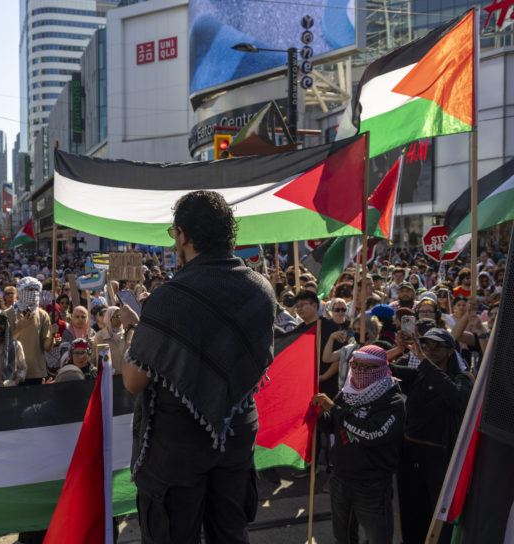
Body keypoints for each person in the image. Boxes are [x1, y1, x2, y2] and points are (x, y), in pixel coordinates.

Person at [122, 191, 276, 543]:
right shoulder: (261, 289)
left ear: (184, 235)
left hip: (177, 444)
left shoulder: (169, 298)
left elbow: (133, 380)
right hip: (237, 432)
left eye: (175, 235)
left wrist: (136, 328)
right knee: (230, 533)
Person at [312, 345, 405, 544]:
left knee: (377, 538)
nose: (360, 372)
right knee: (343, 536)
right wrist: (320, 413)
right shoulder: (348, 391)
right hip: (341, 477)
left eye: (367, 367)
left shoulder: (392, 400)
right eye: (356, 365)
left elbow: (372, 433)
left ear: (381, 369)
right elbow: (330, 426)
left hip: (372, 483)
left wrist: (335, 410)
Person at [391, 328, 473, 544]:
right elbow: (383, 368)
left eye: (437, 345)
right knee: (411, 510)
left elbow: (457, 398)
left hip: (440, 459)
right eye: (426, 344)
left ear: (450, 351)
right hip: (410, 456)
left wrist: (423, 361)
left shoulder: (461, 379)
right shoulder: (418, 374)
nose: (431, 349)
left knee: (437, 514)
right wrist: (397, 349)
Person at [4, 277, 53, 385]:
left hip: (36, 372)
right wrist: (21, 326)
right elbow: (4, 343)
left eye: (36, 290)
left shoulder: (43, 315)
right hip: (14, 372)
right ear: (21, 291)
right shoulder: (8, 314)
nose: (33, 293)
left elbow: (46, 347)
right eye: (30, 290)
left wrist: (52, 336)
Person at [93, 306, 128, 374]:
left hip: (126, 377)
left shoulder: (126, 334)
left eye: (121, 316)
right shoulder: (100, 336)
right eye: (117, 316)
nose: (119, 319)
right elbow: (99, 359)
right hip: (109, 377)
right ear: (109, 318)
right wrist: (114, 372)